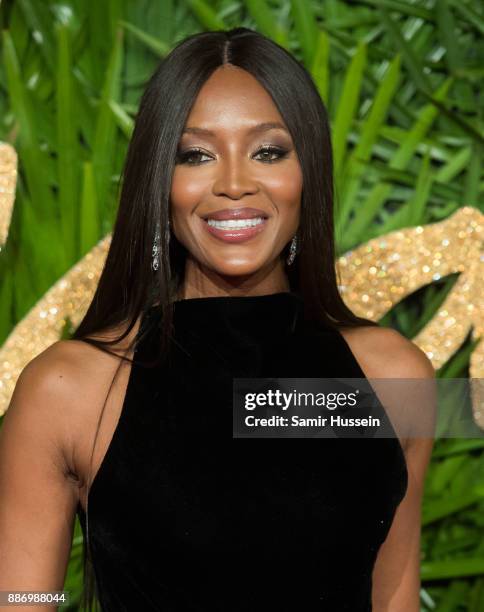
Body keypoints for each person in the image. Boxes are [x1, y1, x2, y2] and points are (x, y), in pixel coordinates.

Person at [0, 27, 435, 612]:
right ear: (160, 180)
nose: (234, 183)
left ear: (308, 172)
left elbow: (395, 597)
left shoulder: (396, 377)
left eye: (268, 151)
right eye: (195, 154)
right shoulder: (68, 388)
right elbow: (22, 600)